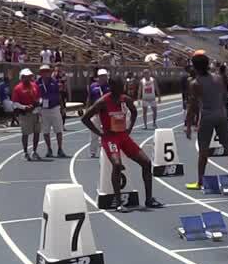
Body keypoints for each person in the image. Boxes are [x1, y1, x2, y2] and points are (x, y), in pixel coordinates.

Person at [80, 76, 164, 213]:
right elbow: (85, 118)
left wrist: (130, 128)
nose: (123, 88)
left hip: (123, 137)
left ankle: (149, 199)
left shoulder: (125, 99)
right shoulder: (103, 102)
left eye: (123, 86)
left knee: (147, 162)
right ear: (112, 87)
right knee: (117, 165)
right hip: (110, 138)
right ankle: (118, 202)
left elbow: (134, 111)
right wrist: (100, 133)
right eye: (120, 86)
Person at [184, 53, 228, 191]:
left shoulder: (195, 83)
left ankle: (200, 181)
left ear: (195, 67)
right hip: (221, 114)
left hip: (207, 116)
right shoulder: (218, 78)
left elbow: (192, 106)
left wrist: (188, 126)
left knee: (203, 150)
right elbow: (224, 95)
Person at [11, 68, 42, 161]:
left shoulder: (34, 85)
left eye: (29, 76)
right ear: (22, 77)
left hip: (36, 112)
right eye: (26, 77)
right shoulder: (18, 88)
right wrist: (24, 107)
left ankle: (34, 151)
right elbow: (15, 103)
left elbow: (40, 97)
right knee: (25, 133)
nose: (28, 78)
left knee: (37, 133)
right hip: (25, 114)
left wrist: (38, 103)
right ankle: (25, 152)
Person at [37, 64, 67, 158]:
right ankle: (49, 149)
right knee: (46, 131)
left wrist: (62, 108)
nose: (46, 73)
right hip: (44, 110)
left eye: (48, 71)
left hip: (54, 108)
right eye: (44, 71)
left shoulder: (54, 82)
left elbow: (59, 95)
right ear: (41, 73)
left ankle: (60, 149)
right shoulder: (37, 83)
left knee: (59, 130)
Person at [87, 69, 107, 158]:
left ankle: (105, 149)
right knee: (94, 133)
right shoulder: (93, 86)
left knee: (106, 132)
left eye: (105, 76)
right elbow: (89, 98)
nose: (103, 77)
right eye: (102, 76)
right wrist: (88, 109)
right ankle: (93, 151)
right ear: (98, 77)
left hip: (106, 113)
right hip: (95, 113)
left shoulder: (109, 86)